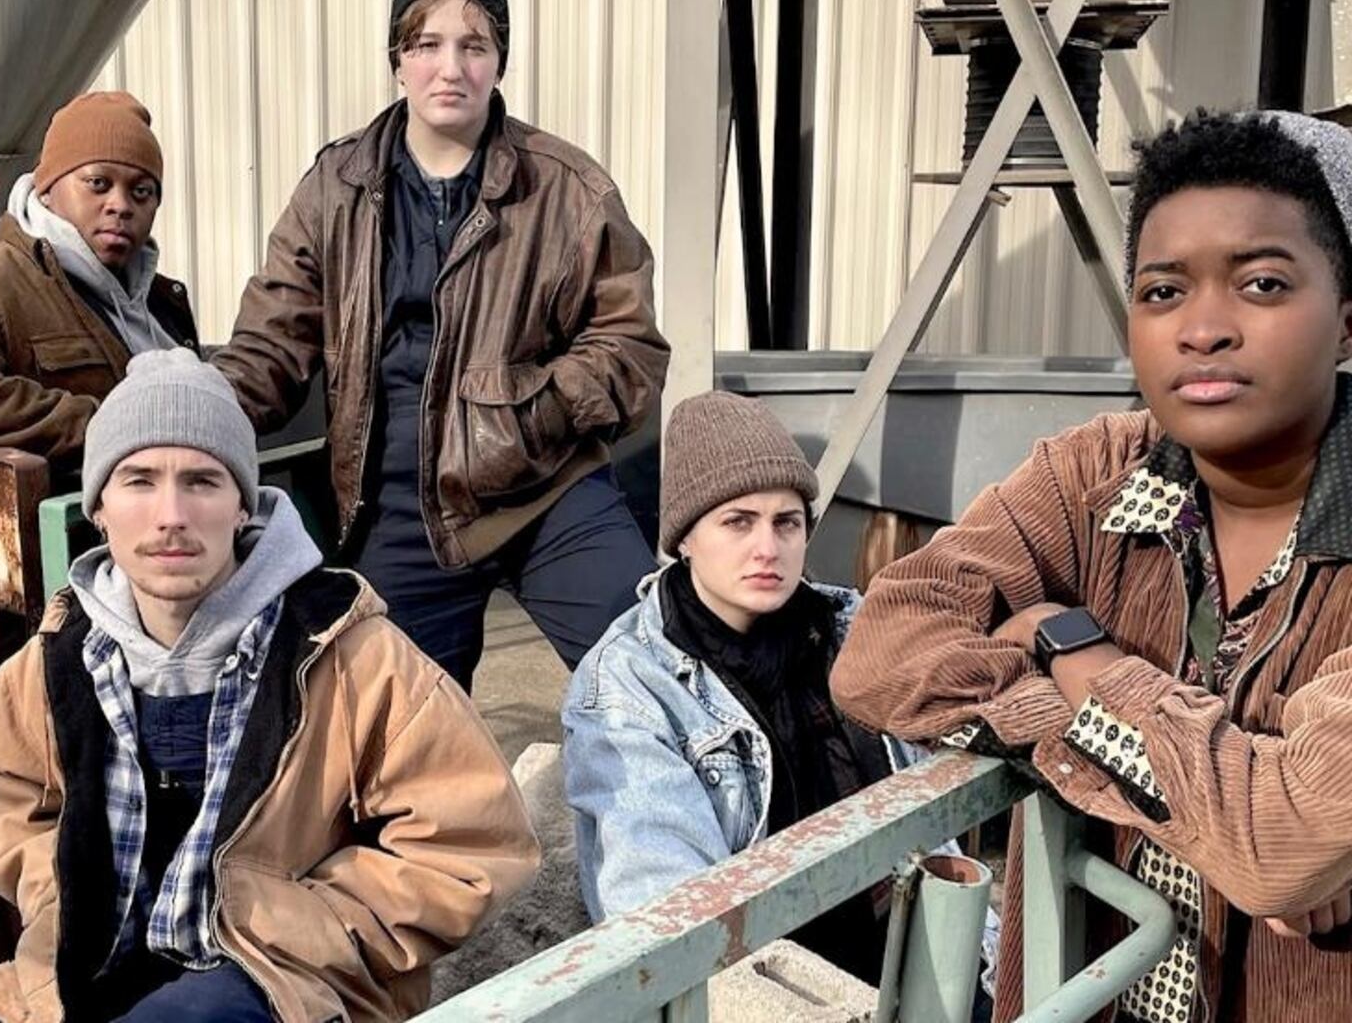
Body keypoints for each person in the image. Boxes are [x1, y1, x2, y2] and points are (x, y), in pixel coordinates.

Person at [832, 110, 1352, 1022]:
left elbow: (1283, 840)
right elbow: (881, 653)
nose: (1203, 329)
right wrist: (1221, 796)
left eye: (1262, 284)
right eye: (1161, 292)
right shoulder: (1094, 475)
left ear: (1347, 322)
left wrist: (1073, 654)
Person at [0, 348, 539, 1023]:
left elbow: (471, 846)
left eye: (202, 481)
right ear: (100, 508)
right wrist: (69, 903)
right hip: (82, 978)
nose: (171, 513)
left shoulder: (352, 655)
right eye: (139, 480)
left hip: (281, 988)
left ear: (243, 506)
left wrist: (298, 925)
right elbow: (16, 803)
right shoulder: (57, 659)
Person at [213, 0, 669, 691]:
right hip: (397, 508)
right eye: (426, 45)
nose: (448, 67)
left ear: (499, 63)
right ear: (398, 62)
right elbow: (271, 343)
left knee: (654, 670)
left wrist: (520, 421)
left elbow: (630, 347)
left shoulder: (568, 188)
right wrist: (192, 413)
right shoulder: (336, 188)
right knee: (392, 732)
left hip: (546, 490)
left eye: (473, 46)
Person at [562, 391, 892, 984]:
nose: (767, 548)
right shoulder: (630, 684)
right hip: (764, 991)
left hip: (900, 960)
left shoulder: (849, 628)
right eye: (737, 521)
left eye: (786, 522)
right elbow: (670, 916)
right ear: (685, 538)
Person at [0, 91, 198, 687]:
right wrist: (104, 423)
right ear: (48, 188)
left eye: (141, 191)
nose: (120, 206)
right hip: (33, 595)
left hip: (161, 579)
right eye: (97, 183)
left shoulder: (159, 301)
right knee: (38, 760)